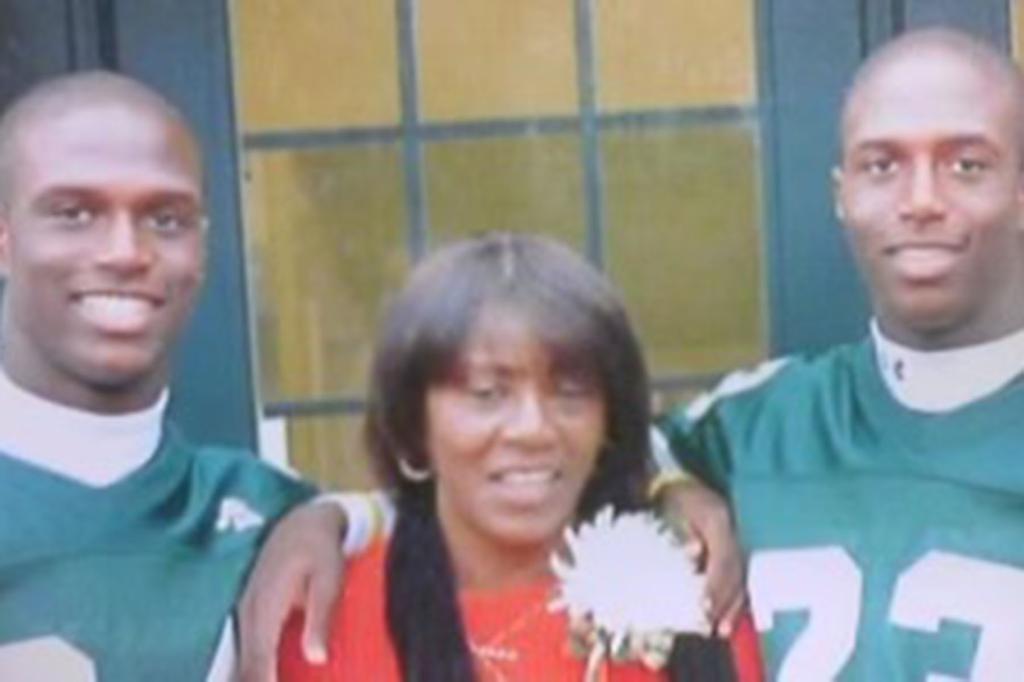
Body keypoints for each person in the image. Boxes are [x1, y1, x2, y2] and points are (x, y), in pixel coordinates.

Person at [656, 27, 1024, 679]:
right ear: (840, 196)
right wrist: (670, 486)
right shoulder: (759, 423)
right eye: (882, 165)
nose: (920, 202)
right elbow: (597, 451)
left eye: (966, 164)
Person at [276, 234, 762, 682]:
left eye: (570, 393)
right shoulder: (323, 624)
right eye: (487, 394)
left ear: (609, 427)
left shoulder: (688, 606)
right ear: (411, 435)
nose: (533, 428)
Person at [0, 71, 317, 679]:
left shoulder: (264, 510)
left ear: (203, 244)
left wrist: (346, 518)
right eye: (73, 213)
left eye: (166, 219)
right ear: (4, 238)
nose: (125, 251)